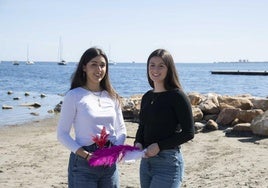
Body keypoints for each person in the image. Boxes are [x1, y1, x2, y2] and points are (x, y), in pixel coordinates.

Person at [57, 47, 127, 188]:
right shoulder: (74, 95)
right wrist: (87, 155)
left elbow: (122, 129)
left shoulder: (112, 96)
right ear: (84, 67)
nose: (99, 69)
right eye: (93, 64)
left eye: (102, 65)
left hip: (109, 164)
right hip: (84, 164)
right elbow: (62, 134)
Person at [134, 49, 195, 188]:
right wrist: (138, 143)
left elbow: (189, 133)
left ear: (169, 69)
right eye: (152, 65)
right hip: (146, 163)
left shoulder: (178, 96)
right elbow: (142, 127)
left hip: (168, 163)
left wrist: (159, 146)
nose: (155, 69)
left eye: (161, 65)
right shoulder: (147, 97)